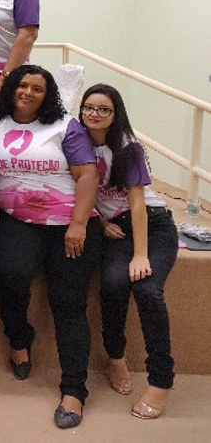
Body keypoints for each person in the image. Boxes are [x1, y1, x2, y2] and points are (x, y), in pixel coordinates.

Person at [0, 65, 100, 429]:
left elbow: (87, 175)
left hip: (68, 224)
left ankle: (74, 390)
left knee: (68, 304)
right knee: (11, 275)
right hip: (16, 219)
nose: (28, 92)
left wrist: (78, 224)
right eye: (22, 85)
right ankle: (19, 339)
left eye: (37, 88)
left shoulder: (65, 127)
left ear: (48, 95)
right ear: (11, 88)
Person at [80, 84, 177, 420]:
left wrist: (140, 254)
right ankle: (115, 357)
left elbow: (137, 204)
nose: (94, 114)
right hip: (115, 227)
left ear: (115, 114)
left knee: (147, 290)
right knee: (112, 284)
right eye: (89, 107)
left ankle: (161, 380)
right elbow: (79, 190)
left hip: (152, 225)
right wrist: (101, 221)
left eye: (103, 109)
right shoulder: (76, 143)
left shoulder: (127, 147)